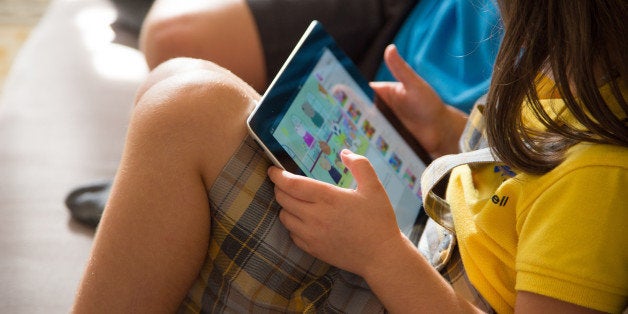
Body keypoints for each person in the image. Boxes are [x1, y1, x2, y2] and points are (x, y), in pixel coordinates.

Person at [73, 1, 627, 313]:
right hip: (414, 245)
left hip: (401, 279)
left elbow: (561, 192)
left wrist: (381, 254)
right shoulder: (576, 83)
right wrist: (444, 130)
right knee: (178, 98)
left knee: (184, 107)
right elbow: (522, 185)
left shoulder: (599, 178)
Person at [65, 0, 503, 227]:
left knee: (182, 101)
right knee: (176, 40)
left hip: (458, 156)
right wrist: (453, 130)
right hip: (418, 19)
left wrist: (458, 138)